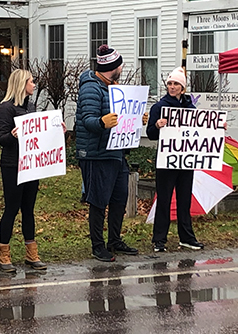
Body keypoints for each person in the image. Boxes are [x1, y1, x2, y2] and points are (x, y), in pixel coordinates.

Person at [75, 45, 139, 262]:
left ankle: (114, 239)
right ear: (114, 67)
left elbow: (122, 118)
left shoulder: (114, 87)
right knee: (98, 200)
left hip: (116, 152)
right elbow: (87, 119)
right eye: (120, 64)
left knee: (120, 197)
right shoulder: (91, 88)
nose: (122, 68)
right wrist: (102, 123)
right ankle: (97, 245)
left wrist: (138, 119)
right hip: (97, 153)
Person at [0, 69, 49, 273]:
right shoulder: (6, 109)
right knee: (11, 208)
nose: (34, 85)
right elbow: (2, 139)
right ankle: (4, 252)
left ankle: (31, 251)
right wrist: (13, 135)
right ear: (21, 84)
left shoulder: (31, 107)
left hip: (31, 164)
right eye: (31, 81)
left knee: (29, 209)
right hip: (12, 165)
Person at [146, 67, 205, 252]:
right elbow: (150, 134)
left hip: (185, 161)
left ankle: (186, 237)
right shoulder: (159, 107)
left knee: (184, 199)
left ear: (183, 88)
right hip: (166, 161)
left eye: (176, 84)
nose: (172, 87)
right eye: (170, 83)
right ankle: (159, 240)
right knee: (164, 200)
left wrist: (219, 127)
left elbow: (202, 129)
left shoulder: (190, 108)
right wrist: (156, 125)